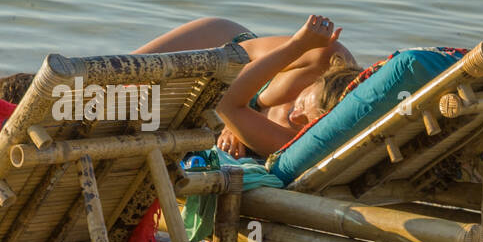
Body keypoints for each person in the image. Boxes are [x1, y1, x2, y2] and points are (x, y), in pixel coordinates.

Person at [134, 16, 359, 158]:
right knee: (110, 78)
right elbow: (244, 50)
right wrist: (297, 45)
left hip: (200, 107)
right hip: (218, 49)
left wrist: (238, 121)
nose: (297, 115)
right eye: (301, 102)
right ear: (322, 78)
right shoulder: (324, 56)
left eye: (306, 123)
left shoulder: (300, 145)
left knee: (119, 113)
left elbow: (228, 106)